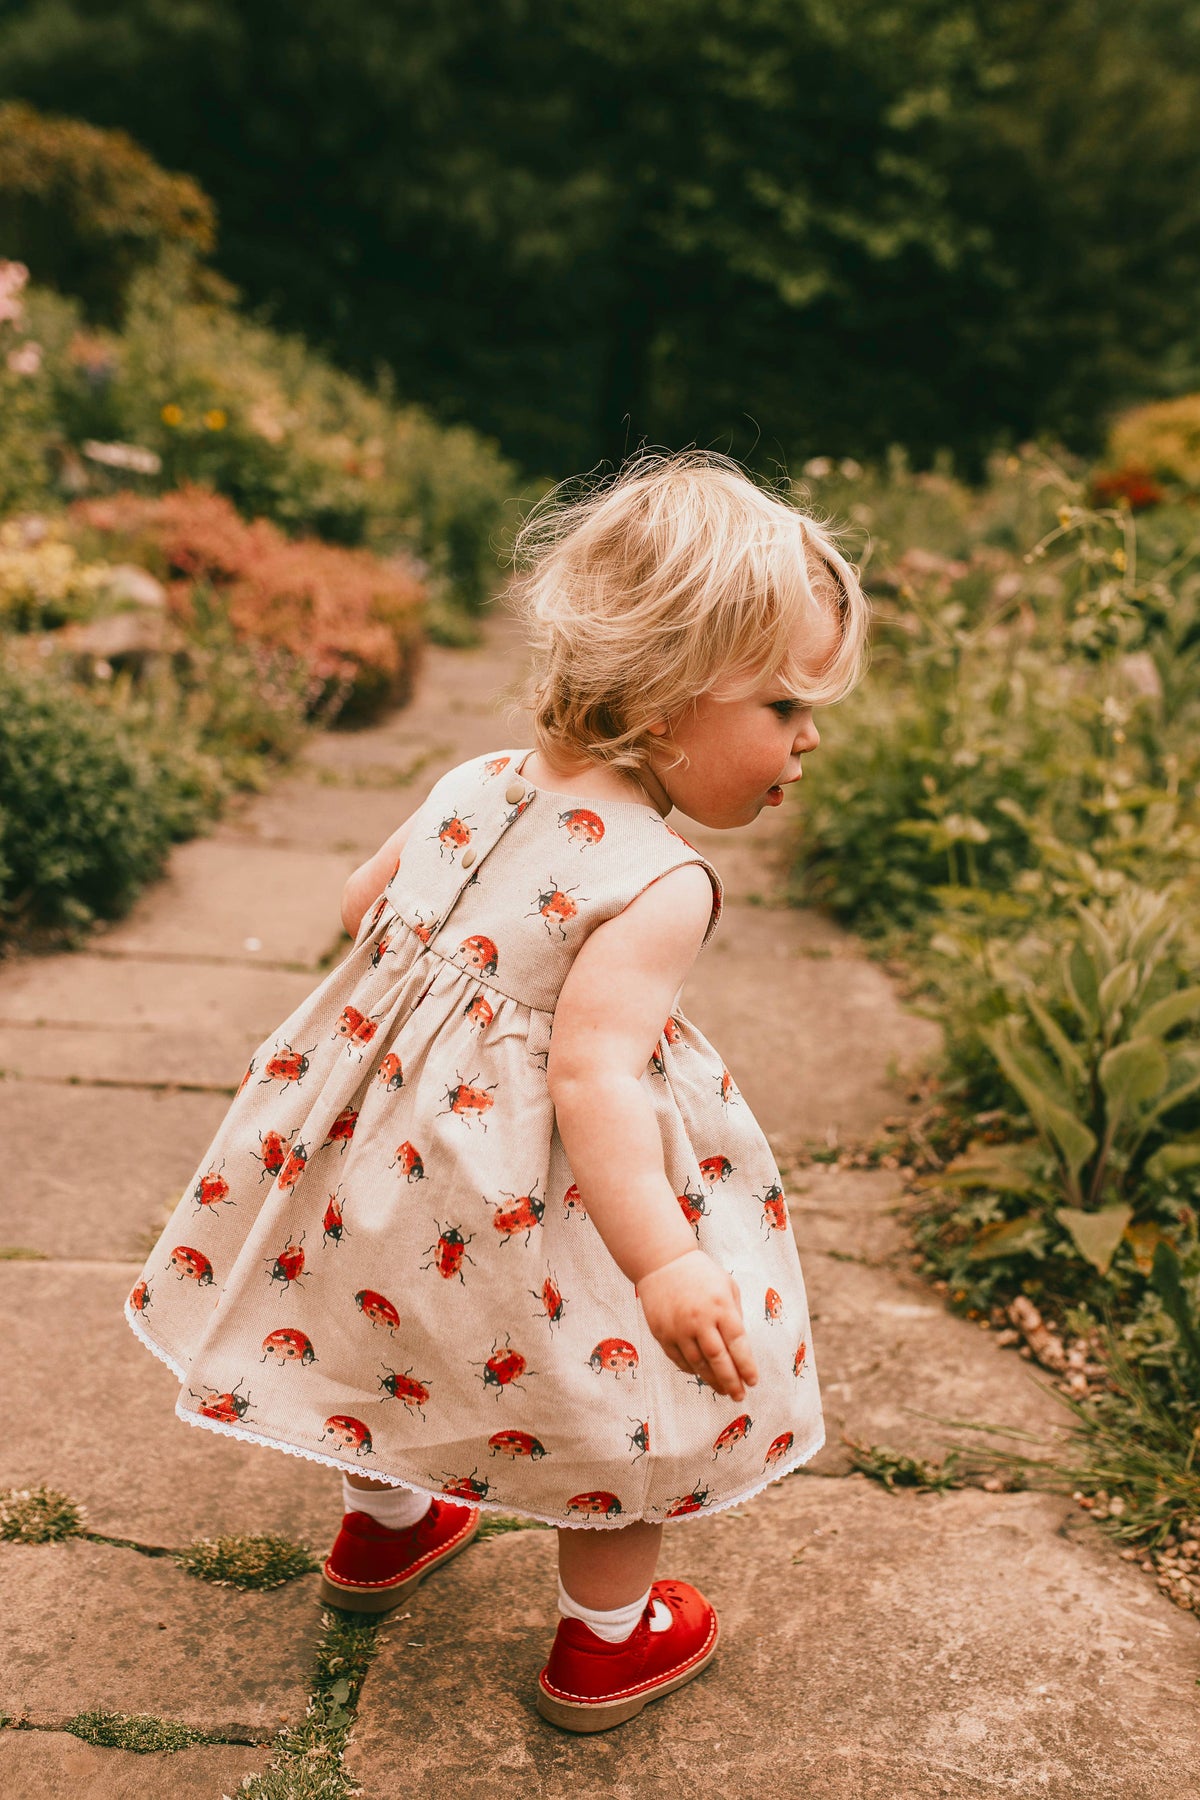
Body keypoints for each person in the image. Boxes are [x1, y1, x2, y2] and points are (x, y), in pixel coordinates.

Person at [125, 450, 870, 1732]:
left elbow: (365, 911)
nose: (809, 737)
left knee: (374, 1323)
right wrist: (667, 1260)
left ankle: (387, 1528)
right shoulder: (659, 878)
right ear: (674, 693)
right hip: (535, 1191)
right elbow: (594, 1072)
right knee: (627, 1392)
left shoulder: (478, 780)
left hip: (376, 1157)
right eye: (787, 705)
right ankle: (605, 1639)